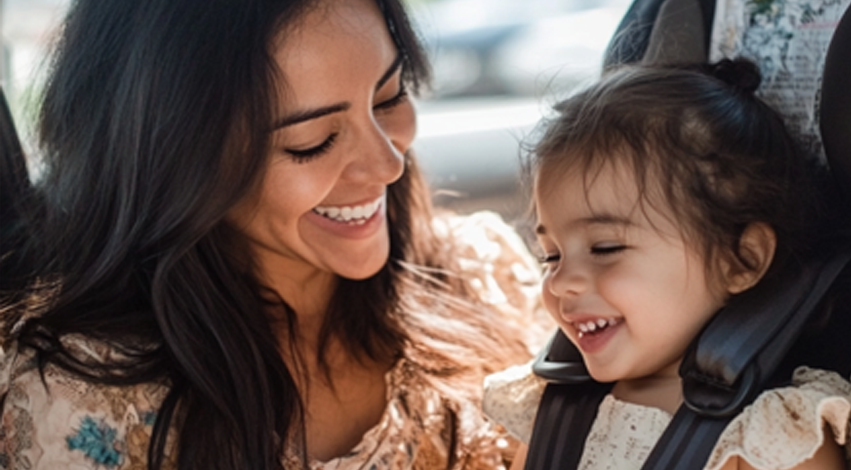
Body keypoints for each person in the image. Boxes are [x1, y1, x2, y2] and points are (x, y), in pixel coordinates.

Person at [0, 0, 549, 468]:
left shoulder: (487, 275)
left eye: (389, 97)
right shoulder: (78, 396)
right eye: (312, 141)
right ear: (178, 161)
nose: (387, 165)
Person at [482, 58, 851, 470]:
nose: (560, 283)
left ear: (740, 260)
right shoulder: (554, 407)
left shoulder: (766, 437)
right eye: (551, 255)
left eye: (605, 248)